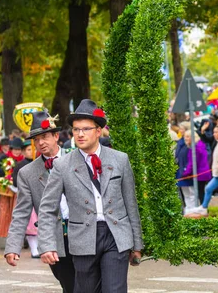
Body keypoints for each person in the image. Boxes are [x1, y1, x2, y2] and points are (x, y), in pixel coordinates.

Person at [38, 100, 143, 293]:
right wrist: (46, 244)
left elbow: (131, 203)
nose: (79, 134)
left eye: (85, 129)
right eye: (76, 129)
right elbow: (47, 208)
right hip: (83, 237)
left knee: (115, 290)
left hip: (115, 234)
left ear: (98, 130)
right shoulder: (62, 165)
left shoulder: (120, 159)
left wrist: (137, 243)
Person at [5, 111, 75, 291]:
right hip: (54, 240)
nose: (41, 143)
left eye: (45, 137)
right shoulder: (28, 173)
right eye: (36, 139)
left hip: (84, 233)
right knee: (69, 286)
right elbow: (21, 212)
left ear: (56, 136)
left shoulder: (77, 159)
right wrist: (13, 246)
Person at [188, 124, 218, 217]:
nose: (214, 134)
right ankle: (204, 208)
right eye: (214, 132)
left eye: (216, 132)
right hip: (217, 174)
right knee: (208, 189)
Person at [181, 130, 211, 213]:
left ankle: (203, 209)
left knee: (200, 192)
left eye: (187, 136)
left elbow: (193, 163)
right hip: (203, 172)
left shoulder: (195, 148)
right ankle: (203, 208)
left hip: (200, 173)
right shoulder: (200, 145)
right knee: (202, 191)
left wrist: (185, 173)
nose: (185, 138)